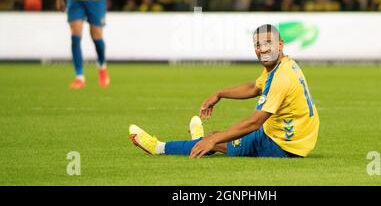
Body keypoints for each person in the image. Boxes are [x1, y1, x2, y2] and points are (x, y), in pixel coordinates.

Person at [129, 24, 320, 158]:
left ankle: (158, 147)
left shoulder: (281, 77)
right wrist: (219, 94)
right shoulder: (284, 64)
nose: (263, 49)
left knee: (214, 140)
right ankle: (202, 139)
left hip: (283, 144)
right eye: (258, 44)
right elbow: (254, 87)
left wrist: (213, 141)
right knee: (217, 136)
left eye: (269, 42)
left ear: (280, 44)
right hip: (293, 136)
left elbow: (254, 122)